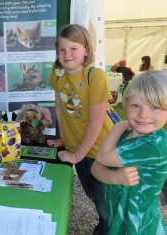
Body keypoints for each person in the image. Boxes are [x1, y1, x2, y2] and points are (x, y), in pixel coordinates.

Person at [47, 24, 113, 235]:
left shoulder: (95, 76)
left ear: (86, 50)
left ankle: (106, 229)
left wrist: (77, 154)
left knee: (105, 205)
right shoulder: (57, 74)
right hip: (79, 151)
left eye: (73, 48)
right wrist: (64, 137)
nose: (67, 55)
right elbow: (60, 107)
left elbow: (96, 122)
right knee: (93, 196)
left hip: (102, 153)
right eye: (62, 50)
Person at [91, 70, 167, 235]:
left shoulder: (154, 144)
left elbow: (101, 158)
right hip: (120, 214)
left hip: (138, 226)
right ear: (126, 104)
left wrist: (117, 127)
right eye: (135, 105)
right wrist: (114, 177)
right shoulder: (128, 133)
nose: (143, 114)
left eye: (155, 107)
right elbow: (95, 168)